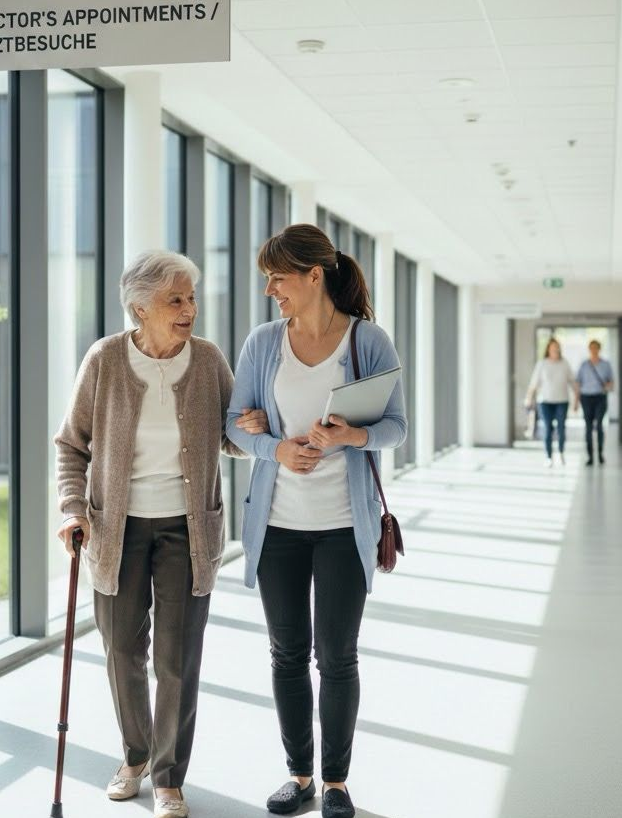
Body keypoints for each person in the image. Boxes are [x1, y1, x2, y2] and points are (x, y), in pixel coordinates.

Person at [54, 251, 267, 818]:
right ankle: (136, 754)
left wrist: (251, 429)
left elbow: (229, 437)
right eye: (176, 299)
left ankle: (170, 776)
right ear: (139, 308)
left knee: (177, 658)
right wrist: (73, 508)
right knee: (123, 650)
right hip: (114, 531)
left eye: (191, 298)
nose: (189, 309)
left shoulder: (207, 360)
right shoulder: (104, 360)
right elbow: (71, 445)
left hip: (187, 530)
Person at [225, 224, 407, 818]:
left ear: (313, 274)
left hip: (340, 524)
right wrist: (274, 448)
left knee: (337, 655)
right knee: (286, 653)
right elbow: (233, 425)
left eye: (278, 278)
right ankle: (299, 776)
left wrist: (353, 435)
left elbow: (397, 427)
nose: (271, 289)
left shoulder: (368, 342)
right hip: (276, 524)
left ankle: (335, 783)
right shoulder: (263, 343)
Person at [525, 338, 577, 467]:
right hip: (545, 401)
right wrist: (529, 398)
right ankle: (548, 456)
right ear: (548, 349)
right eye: (553, 347)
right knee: (548, 428)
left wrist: (577, 400)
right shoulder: (542, 364)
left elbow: (573, 382)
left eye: (557, 347)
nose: (555, 349)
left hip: (562, 401)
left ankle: (561, 452)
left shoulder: (565, 364)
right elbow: (534, 383)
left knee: (561, 428)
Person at [575, 339, 614, 466]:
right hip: (586, 398)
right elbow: (578, 383)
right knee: (588, 427)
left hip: (600, 397)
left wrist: (608, 385)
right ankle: (590, 456)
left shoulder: (606, 364)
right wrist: (576, 400)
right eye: (591, 348)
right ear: (589, 349)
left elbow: (611, 382)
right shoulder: (584, 365)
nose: (594, 350)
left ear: (599, 349)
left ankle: (600, 454)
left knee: (599, 425)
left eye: (596, 348)